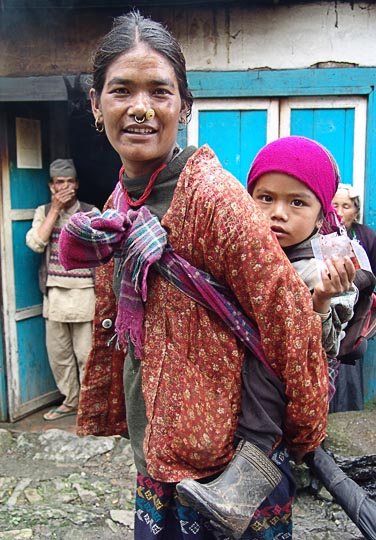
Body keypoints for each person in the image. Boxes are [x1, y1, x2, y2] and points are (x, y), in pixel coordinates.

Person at [58, 11, 329, 540]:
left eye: (160, 92)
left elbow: (289, 316)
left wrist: (299, 436)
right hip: (159, 455)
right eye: (121, 91)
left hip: (227, 470)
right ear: (96, 105)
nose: (140, 108)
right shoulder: (120, 206)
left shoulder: (211, 199)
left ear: (184, 107)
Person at [176, 136, 358, 536]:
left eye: (297, 202)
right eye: (264, 197)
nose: (278, 214)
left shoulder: (320, 270)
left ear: (320, 212)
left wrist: (323, 300)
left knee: (266, 365)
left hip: (275, 410)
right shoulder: (243, 254)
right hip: (225, 405)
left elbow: (325, 348)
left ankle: (242, 488)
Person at [26, 158, 97, 421]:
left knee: (86, 355)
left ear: (77, 184)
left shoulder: (90, 212)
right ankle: (70, 402)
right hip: (55, 294)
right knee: (60, 356)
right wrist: (55, 210)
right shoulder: (44, 211)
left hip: (84, 293)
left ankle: (90, 408)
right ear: (51, 186)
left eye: (69, 182)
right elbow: (36, 243)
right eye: (59, 183)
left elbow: (101, 250)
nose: (65, 187)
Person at [329, 183, 376, 412]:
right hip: (330, 309)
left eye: (346, 206)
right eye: (335, 204)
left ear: (355, 210)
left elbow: (372, 275)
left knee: (348, 364)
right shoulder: (324, 233)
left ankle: (348, 411)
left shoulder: (365, 236)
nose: (340, 210)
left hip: (355, 313)